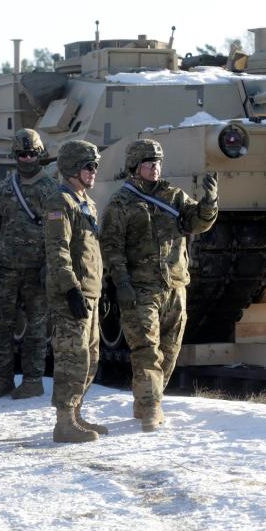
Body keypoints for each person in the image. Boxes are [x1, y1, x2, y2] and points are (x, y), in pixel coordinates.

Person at [100, 139, 218, 432]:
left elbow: (195, 222)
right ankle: (152, 407)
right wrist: (121, 284)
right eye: (149, 163)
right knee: (146, 350)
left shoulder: (173, 195)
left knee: (170, 348)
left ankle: (147, 399)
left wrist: (209, 203)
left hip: (175, 285)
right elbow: (111, 247)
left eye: (158, 163)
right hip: (141, 289)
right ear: (135, 166)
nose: (155, 168)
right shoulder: (121, 203)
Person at [0, 128, 57, 400]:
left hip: (36, 269)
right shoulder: (5, 187)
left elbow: (58, 231)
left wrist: (51, 262)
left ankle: (33, 379)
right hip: (8, 268)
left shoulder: (50, 189)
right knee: (0, 324)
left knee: (36, 327)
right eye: (21, 154)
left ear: (39, 155)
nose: (26, 159)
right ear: (15, 156)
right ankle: (2, 379)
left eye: (31, 154)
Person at [44, 140, 105, 443]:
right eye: (87, 166)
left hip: (89, 293)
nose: (93, 171)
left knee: (89, 357)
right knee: (71, 357)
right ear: (71, 168)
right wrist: (71, 288)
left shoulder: (85, 201)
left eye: (95, 166)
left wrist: (96, 291)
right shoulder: (60, 202)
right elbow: (58, 251)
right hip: (72, 294)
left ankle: (77, 414)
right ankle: (64, 422)